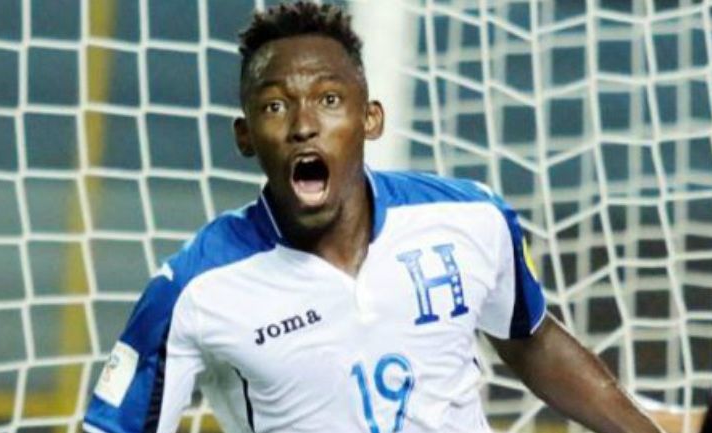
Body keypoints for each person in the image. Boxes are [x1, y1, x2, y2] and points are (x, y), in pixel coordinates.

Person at [83, 2, 666, 432]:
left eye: (329, 100)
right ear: (245, 136)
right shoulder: (196, 288)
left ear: (371, 119)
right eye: (275, 105)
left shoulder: (469, 220)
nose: (303, 124)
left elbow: (531, 338)